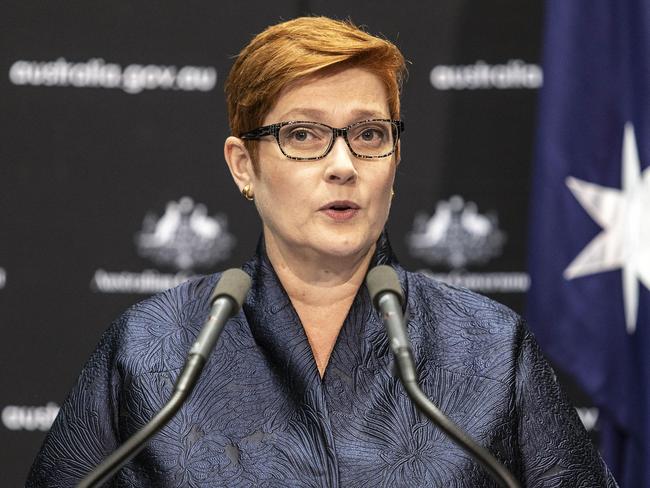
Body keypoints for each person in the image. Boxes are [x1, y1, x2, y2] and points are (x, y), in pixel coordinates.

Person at [27, 16, 617, 487]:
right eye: (303, 135)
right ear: (243, 165)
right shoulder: (150, 348)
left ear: (394, 158)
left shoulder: (490, 347)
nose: (343, 166)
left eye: (368, 135)